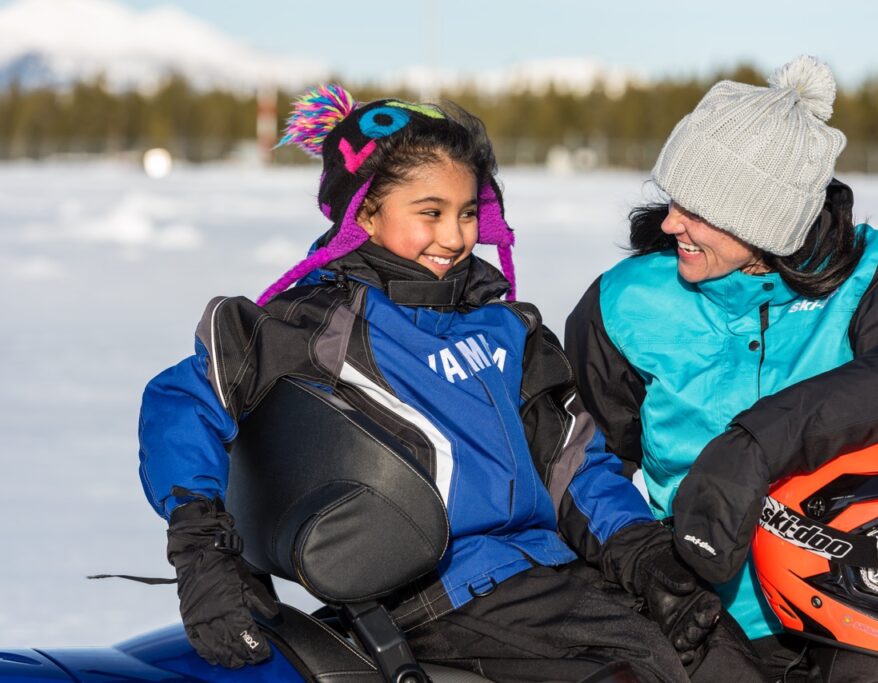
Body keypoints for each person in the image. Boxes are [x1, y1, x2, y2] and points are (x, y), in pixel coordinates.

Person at [137, 85, 721, 683]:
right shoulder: (314, 323)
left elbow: (573, 465)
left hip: (549, 578)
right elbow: (183, 402)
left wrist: (642, 553)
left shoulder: (505, 328)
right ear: (365, 212)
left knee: (724, 654)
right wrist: (201, 547)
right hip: (434, 598)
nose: (454, 237)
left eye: (467, 212)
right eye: (430, 213)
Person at [564, 56, 878, 682]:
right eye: (674, 198)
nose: (670, 222)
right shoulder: (623, 302)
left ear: (766, 223)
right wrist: (644, 558)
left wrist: (757, 444)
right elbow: (579, 459)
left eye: (698, 209)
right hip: (703, 612)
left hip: (869, 603)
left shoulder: (876, 274)